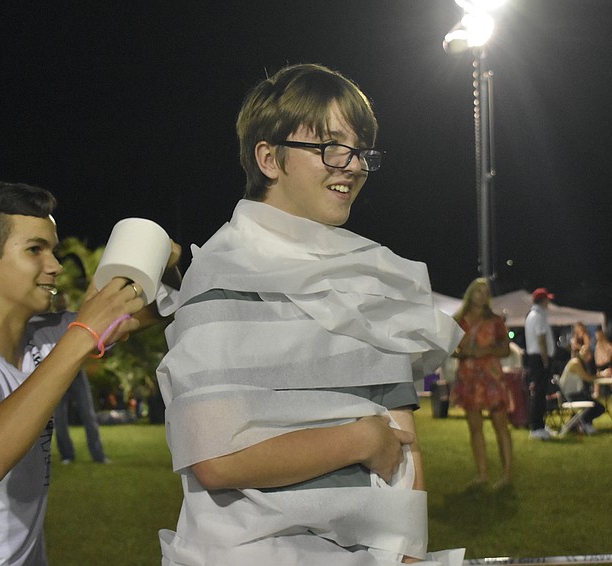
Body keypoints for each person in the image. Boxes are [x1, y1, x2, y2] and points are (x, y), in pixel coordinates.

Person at [156, 64, 463, 565]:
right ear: (269, 158)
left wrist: (409, 556)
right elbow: (214, 459)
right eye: (329, 147)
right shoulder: (220, 275)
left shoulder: (375, 277)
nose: (353, 165)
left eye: (360, 150)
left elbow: (405, 445)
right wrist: (358, 438)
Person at [0, 181, 177, 565]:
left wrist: (164, 259)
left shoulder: (49, 337)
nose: (55, 265)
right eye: (35, 249)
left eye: (52, 248)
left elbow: (160, 307)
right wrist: (82, 335)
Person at [449, 278, 513, 489]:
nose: (482, 295)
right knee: (475, 427)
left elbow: (506, 349)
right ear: (470, 293)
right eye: (478, 291)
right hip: (469, 377)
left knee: (500, 425)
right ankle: (482, 474)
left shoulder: (494, 321)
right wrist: (462, 353)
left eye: (485, 292)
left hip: (491, 376)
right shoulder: (459, 320)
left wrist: (486, 351)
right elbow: (451, 349)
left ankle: (506, 475)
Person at [53, 368, 108, 464]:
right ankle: (67, 455)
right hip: (57, 374)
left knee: (88, 414)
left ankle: (98, 455)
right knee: (59, 418)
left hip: (76, 373)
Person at [525, 287, 556, 440]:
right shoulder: (538, 316)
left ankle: (539, 425)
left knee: (539, 392)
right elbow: (541, 339)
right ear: (543, 300)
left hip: (535, 357)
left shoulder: (532, 315)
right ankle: (537, 427)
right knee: (539, 393)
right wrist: (545, 360)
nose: (548, 302)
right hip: (539, 358)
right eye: (547, 300)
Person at [558, 347, 606, 435]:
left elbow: (589, 376)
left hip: (574, 394)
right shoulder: (575, 363)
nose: (585, 354)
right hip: (569, 396)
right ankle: (582, 423)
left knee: (595, 405)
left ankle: (580, 423)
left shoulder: (582, 364)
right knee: (598, 407)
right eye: (583, 351)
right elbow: (587, 378)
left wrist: (599, 375)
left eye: (588, 352)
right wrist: (602, 376)